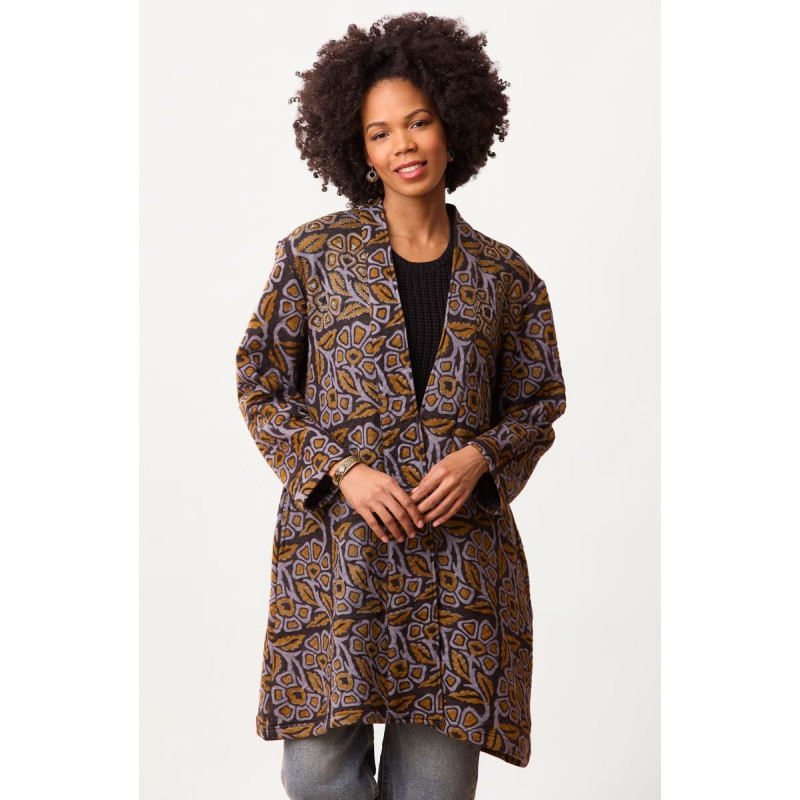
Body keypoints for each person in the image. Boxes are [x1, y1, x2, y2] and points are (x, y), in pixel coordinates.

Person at [235, 12, 568, 800]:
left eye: (418, 122)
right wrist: (341, 469)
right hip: (337, 561)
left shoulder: (507, 279)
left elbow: (539, 401)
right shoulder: (312, 256)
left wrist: (480, 457)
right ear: (358, 148)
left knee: (434, 790)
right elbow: (260, 381)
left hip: (458, 571)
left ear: (453, 124)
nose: (403, 146)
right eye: (380, 132)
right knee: (317, 777)